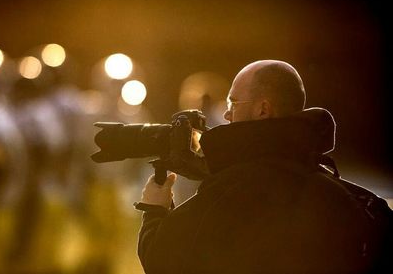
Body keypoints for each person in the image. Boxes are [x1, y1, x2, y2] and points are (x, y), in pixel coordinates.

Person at [135, 60, 392, 274]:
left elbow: (164, 261)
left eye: (232, 104)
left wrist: (155, 210)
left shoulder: (232, 190)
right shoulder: (354, 201)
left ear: (262, 109)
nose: (226, 115)